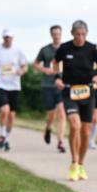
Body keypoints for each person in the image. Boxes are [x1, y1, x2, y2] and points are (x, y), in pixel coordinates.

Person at [54, 20, 97, 181]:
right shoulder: (64, 48)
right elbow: (56, 63)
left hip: (88, 92)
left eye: (83, 34)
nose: (80, 37)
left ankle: (82, 164)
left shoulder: (92, 49)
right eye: (77, 34)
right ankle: (74, 163)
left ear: (86, 34)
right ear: (72, 33)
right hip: (69, 91)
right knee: (75, 125)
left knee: (86, 131)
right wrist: (57, 77)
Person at [0, 29, 29, 151]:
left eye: (9, 37)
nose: (7, 39)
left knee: (11, 115)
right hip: (0, 84)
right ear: (2, 38)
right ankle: (1, 134)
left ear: (13, 38)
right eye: (5, 37)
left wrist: (22, 71)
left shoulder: (18, 51)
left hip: (14, 85)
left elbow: (25, 65)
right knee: (5, 110)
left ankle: (7, 138)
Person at [34, 25, 67, 153]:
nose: (57, 36)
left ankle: (60, 142)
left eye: (59, 33)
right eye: (54, 34)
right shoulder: (45, 50)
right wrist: (44, 69)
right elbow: (36, 64)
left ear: (61, 34)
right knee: (51, 115)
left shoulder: (66, 49)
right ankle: (48, 127)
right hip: (48, 85)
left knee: (62, 113)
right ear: (51, 35)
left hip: (62, 85)